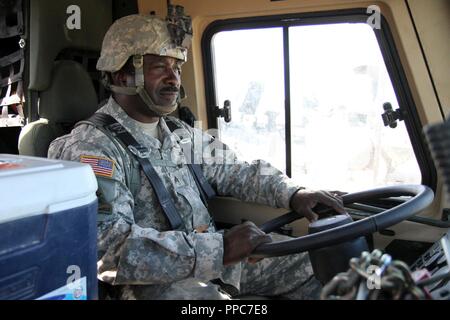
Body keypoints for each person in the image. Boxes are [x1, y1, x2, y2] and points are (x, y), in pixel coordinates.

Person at [48, 13, 346, 300]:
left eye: (176, 67)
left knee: (320, 263)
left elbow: (238, 170)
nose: (173, 79)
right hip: (149, 284)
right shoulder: (92, 147)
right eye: (158, 67)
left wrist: (294, 193)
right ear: (122, 73)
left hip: (214, 263)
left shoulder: (180, 133)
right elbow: (110, 249)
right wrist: (219, 249)